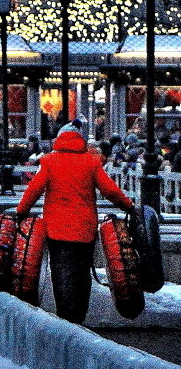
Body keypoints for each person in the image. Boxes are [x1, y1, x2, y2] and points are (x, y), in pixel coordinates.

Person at [15, 120, 136, 323]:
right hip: (84, 230)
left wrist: (21, 212)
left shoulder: (50, 162)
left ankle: (65, 314)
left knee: (61, 272)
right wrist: (128, 207)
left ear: (59, 139)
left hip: (57, 230)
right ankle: (79, 315)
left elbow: (33, 190)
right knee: (82, 273)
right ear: (80, 140)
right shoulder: (91, 162)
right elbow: (110, 190)